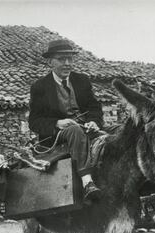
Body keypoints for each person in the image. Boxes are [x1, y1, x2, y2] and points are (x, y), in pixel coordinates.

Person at [28, 39, 104, 202]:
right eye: (62, 59)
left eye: (70, 59)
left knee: (114, 133)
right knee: (75, 131)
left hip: (85, 128)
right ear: (50, 62)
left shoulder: (81, 81)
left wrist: (94, 122)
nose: (67, 63)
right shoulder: (40, 87)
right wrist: (57, 123)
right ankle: (87, 181)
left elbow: (94, 107)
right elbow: (34, 121)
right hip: (58, 135)